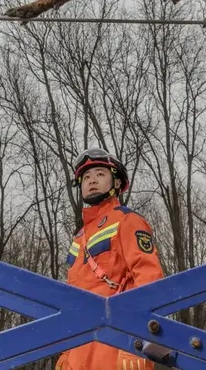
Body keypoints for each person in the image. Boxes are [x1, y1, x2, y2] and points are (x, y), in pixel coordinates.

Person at [55, 148, 165, 370]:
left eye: (100, 174)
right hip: (80, 350)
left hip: (116, 346)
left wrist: (137, 342)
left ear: (116, 183)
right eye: (86, 177)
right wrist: (66, 352)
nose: (92, 180)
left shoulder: (127, 220)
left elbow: (149, 280)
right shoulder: (78, 238)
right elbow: (71, 299)